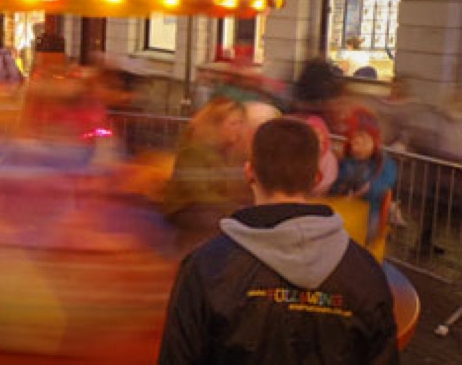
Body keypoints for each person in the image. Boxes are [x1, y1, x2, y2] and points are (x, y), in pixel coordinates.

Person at [159, 118, 399, 364]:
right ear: (316, 178)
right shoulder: (365, 273)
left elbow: (178, 356)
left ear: (249, 173)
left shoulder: (206, 267)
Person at [162, 97, 250, 249]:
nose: (239, 129)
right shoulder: (195, 150)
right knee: (212, 220)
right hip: (185, 207)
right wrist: (234, 208)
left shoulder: (230, 150)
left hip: (213, 205)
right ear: (216, 126)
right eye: (234, 123)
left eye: (241, 123)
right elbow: (197, 192)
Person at [330, 107, 397, 244]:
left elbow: (385, 182)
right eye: (354, 141)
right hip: (346, 206)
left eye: (364, 141)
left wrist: (369, 189)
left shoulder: (383, 163)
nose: (357, 146)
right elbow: (337, 182)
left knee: (370, 229)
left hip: (370, 208)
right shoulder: (347, 162)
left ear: (374, 142)